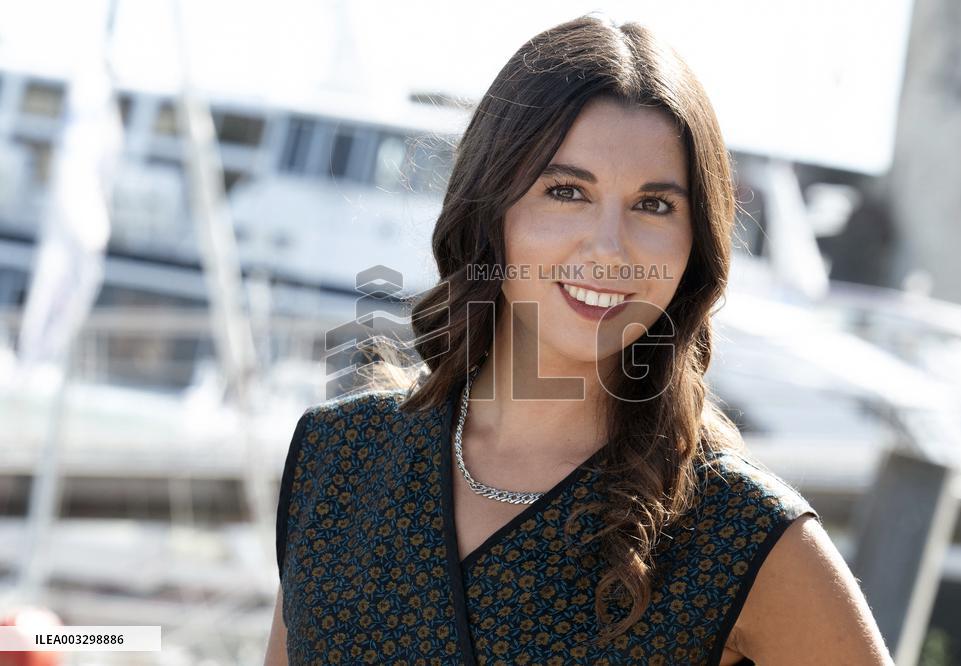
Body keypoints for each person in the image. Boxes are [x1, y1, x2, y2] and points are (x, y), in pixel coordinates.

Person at [265, 14, 894, 665]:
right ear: (491, 210)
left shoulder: (738, 531)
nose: (608, 248)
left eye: (654, 205)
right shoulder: (337, 456)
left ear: (694, 245)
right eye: (566, 191)